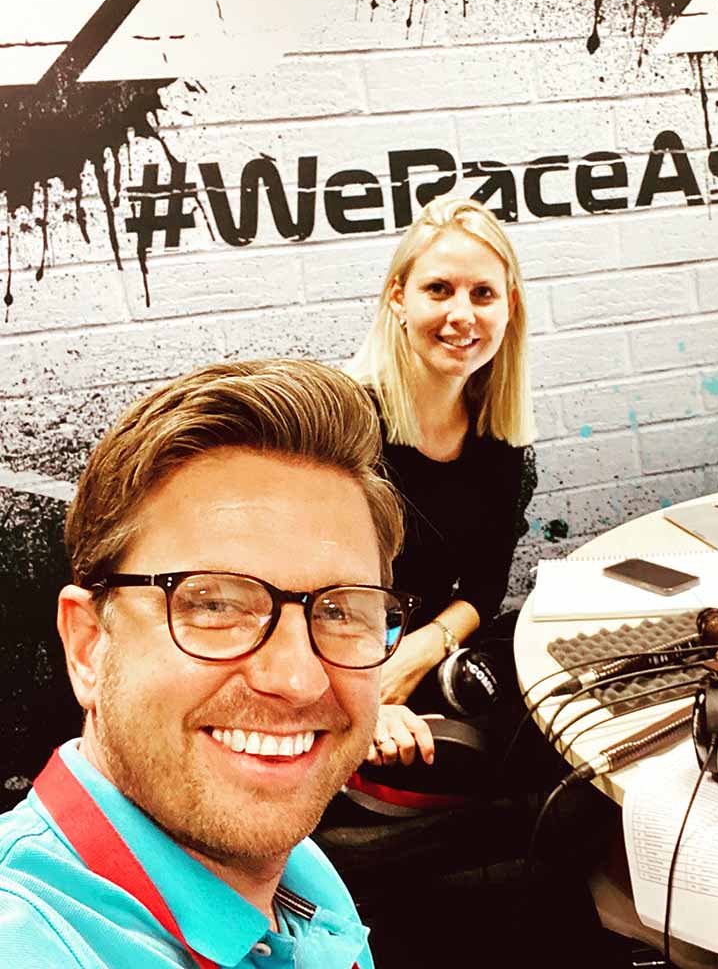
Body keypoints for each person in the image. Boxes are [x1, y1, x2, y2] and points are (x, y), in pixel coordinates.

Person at [0, 359, 415, 969]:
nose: (298, 680)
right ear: (89, 646)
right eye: (214, 605)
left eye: (339, 611)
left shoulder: (291, 865)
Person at [347, 195, 537, 766]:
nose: (463, 315)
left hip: (426, 660)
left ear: (509, 307)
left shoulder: (499, 442)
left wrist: (426, 648)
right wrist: (370, 689)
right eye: (438, 289)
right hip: (343, 671)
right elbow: (298, 596)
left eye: (483, 294)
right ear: (398, 298)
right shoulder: (345, 429)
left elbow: (484, 588)